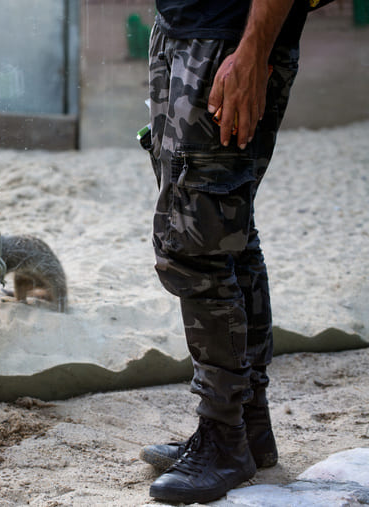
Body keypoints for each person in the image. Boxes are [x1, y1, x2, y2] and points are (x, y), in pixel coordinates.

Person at [139, 0, 309, 503]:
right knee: (229, 236)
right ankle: (248, 428)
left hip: (225, 41)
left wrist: (252, 51)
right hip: (187, 30)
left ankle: (223, 438)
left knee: (195, 247)